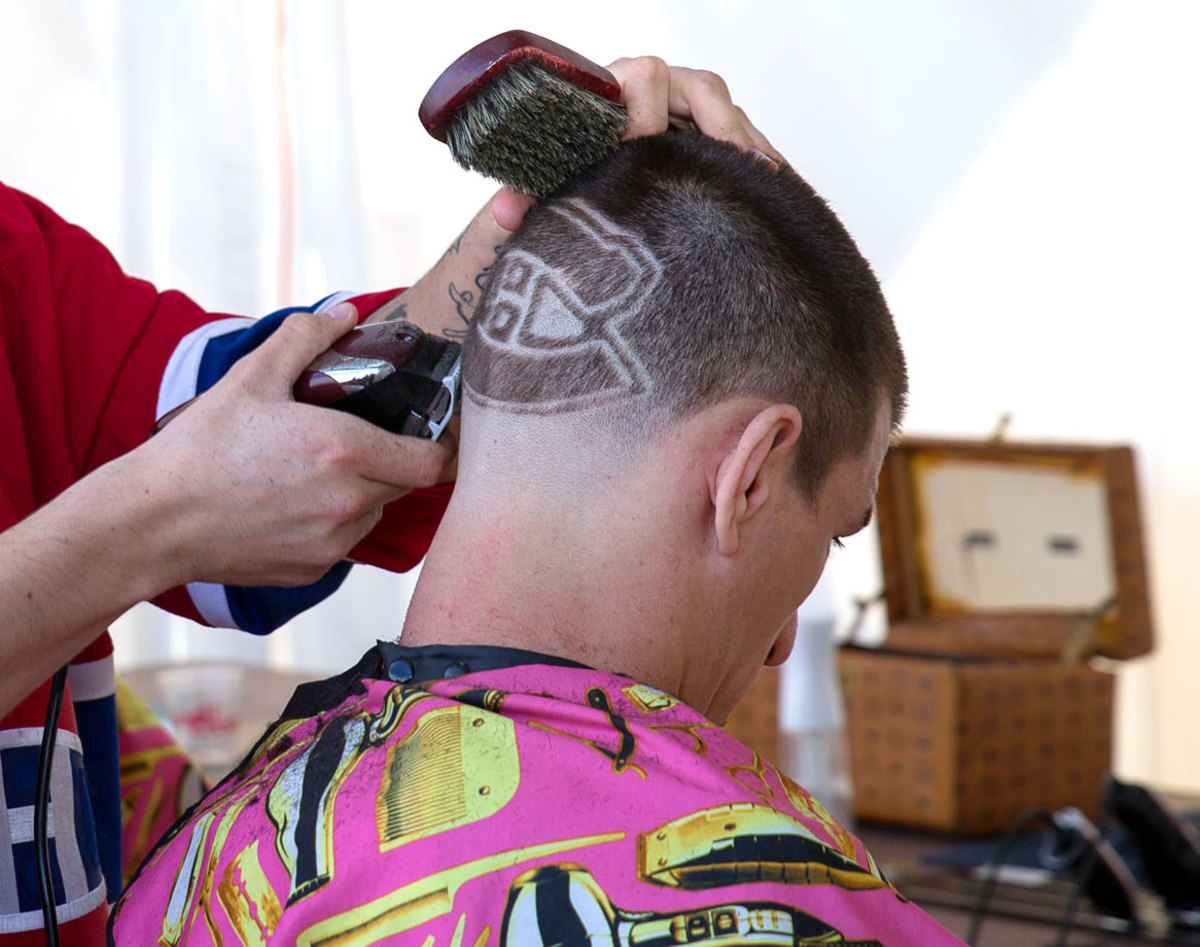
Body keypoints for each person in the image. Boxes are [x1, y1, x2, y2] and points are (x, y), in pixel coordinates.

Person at [110, 132, 964, 945]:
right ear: (749, 474)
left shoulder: (214, 864)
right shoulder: (767, 895)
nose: (784, 642)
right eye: (830, 537)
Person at [0, 57, 779, 945]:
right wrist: (151, 523)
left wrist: (537, 213)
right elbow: (189, 478)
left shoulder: (16, 264)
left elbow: (301, 414)